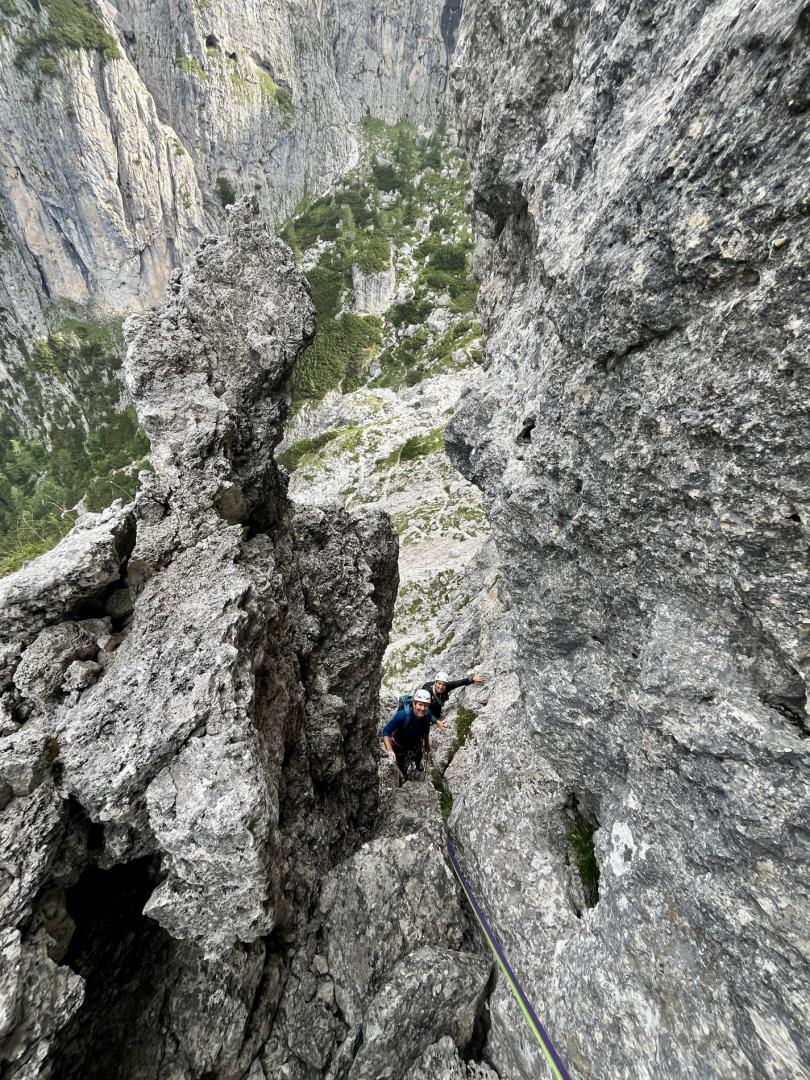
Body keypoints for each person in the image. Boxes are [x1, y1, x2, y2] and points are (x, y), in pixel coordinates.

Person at [380, 688, 433, 777]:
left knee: (418, 756)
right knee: (401, 765)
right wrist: (390, 750)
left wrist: (426, 743)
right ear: (414, 704)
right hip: (399, 746)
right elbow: (385, 732)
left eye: (426, 705)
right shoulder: (402, 715)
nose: (423, 708)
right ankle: (403, 774)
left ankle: (418, 765)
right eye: (420, 704)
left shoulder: (428, 715)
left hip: (416, 745)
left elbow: (426, 729)